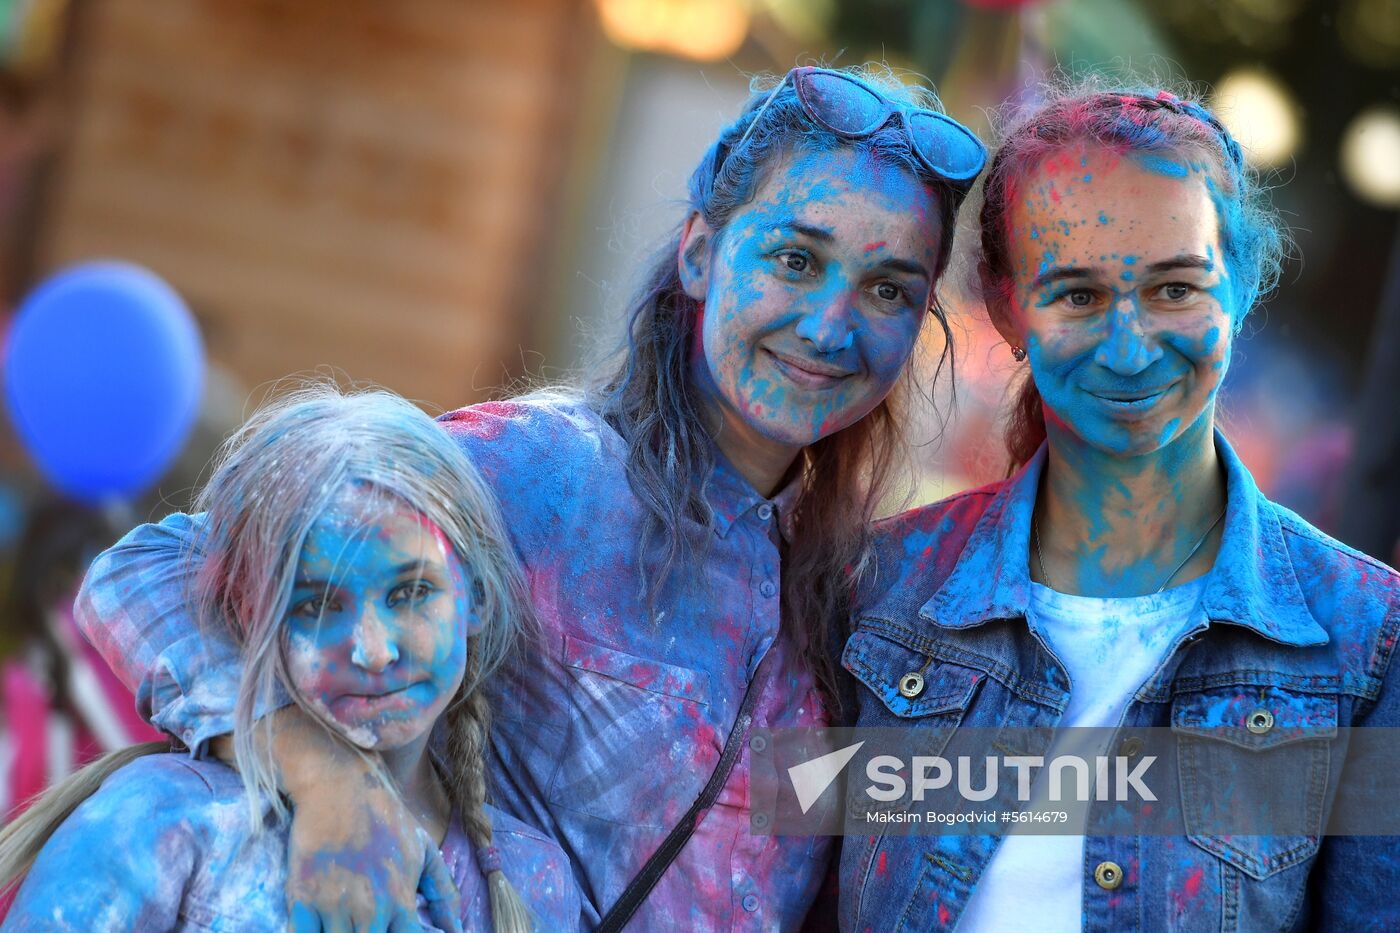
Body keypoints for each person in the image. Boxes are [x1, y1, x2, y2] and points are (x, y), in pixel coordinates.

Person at [72, 66, 987, 928]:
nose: (831, 324)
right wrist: (317, 773)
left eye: (886, 289)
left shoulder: (860, 600)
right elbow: (153, 573)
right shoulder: (542, 474)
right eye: (794, 260)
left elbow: (1000, 800)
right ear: (703, 254)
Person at [839, 82, 1400, 930]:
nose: (1132, 349)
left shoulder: (1364, 640)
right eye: (1078, 295)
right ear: (1007, 305)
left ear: (1241, 283)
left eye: (1176, 288)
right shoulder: (877, 589)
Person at [0, 386, 578, 932]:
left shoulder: (537, 881)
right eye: (320, 604)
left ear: (475, 597)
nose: (374, 650)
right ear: (252, 619)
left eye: (411, 592)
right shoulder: (158, 819)